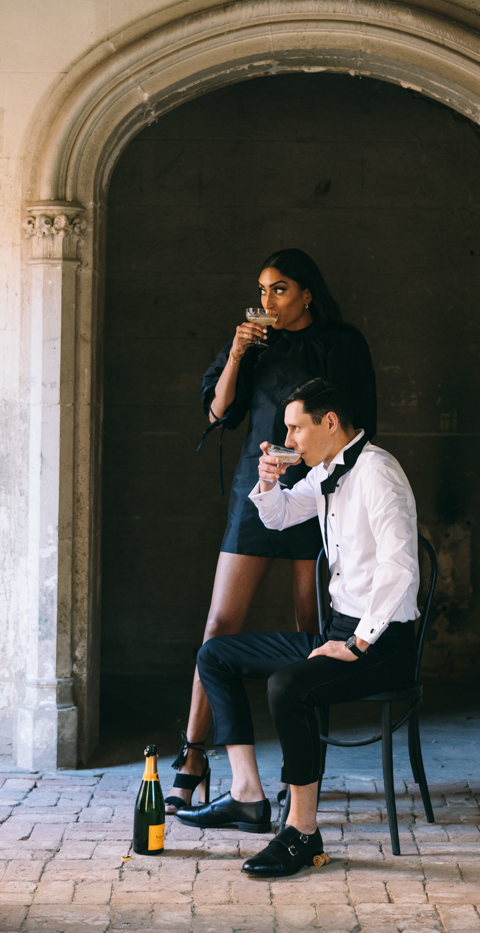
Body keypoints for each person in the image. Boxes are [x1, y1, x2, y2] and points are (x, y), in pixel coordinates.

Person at [174, 377, 420, 879]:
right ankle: (246, 794)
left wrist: (358, 643)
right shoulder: (324, 471)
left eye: (295, 428)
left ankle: (302, 834)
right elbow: (280, 518)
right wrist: (267, 481)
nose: (289, 439)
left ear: (329, 422)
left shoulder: (377, 473)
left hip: (383, 643)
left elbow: (400, 567)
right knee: (215, 655)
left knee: (288, 685)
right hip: (339, 632)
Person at [167, 252, 376, 813]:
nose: (267, 302)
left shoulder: (343, 343)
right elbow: (217, 412)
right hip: (256, 490)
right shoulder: (253, 342)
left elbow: (363, 424)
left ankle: (301, 770)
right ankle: (192, 754)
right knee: (219, 624)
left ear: (307, 293)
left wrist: (328, 477)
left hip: (321, 492)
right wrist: (236, 353)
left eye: (279, 290)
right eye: (261, 290)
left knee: (312, 628)